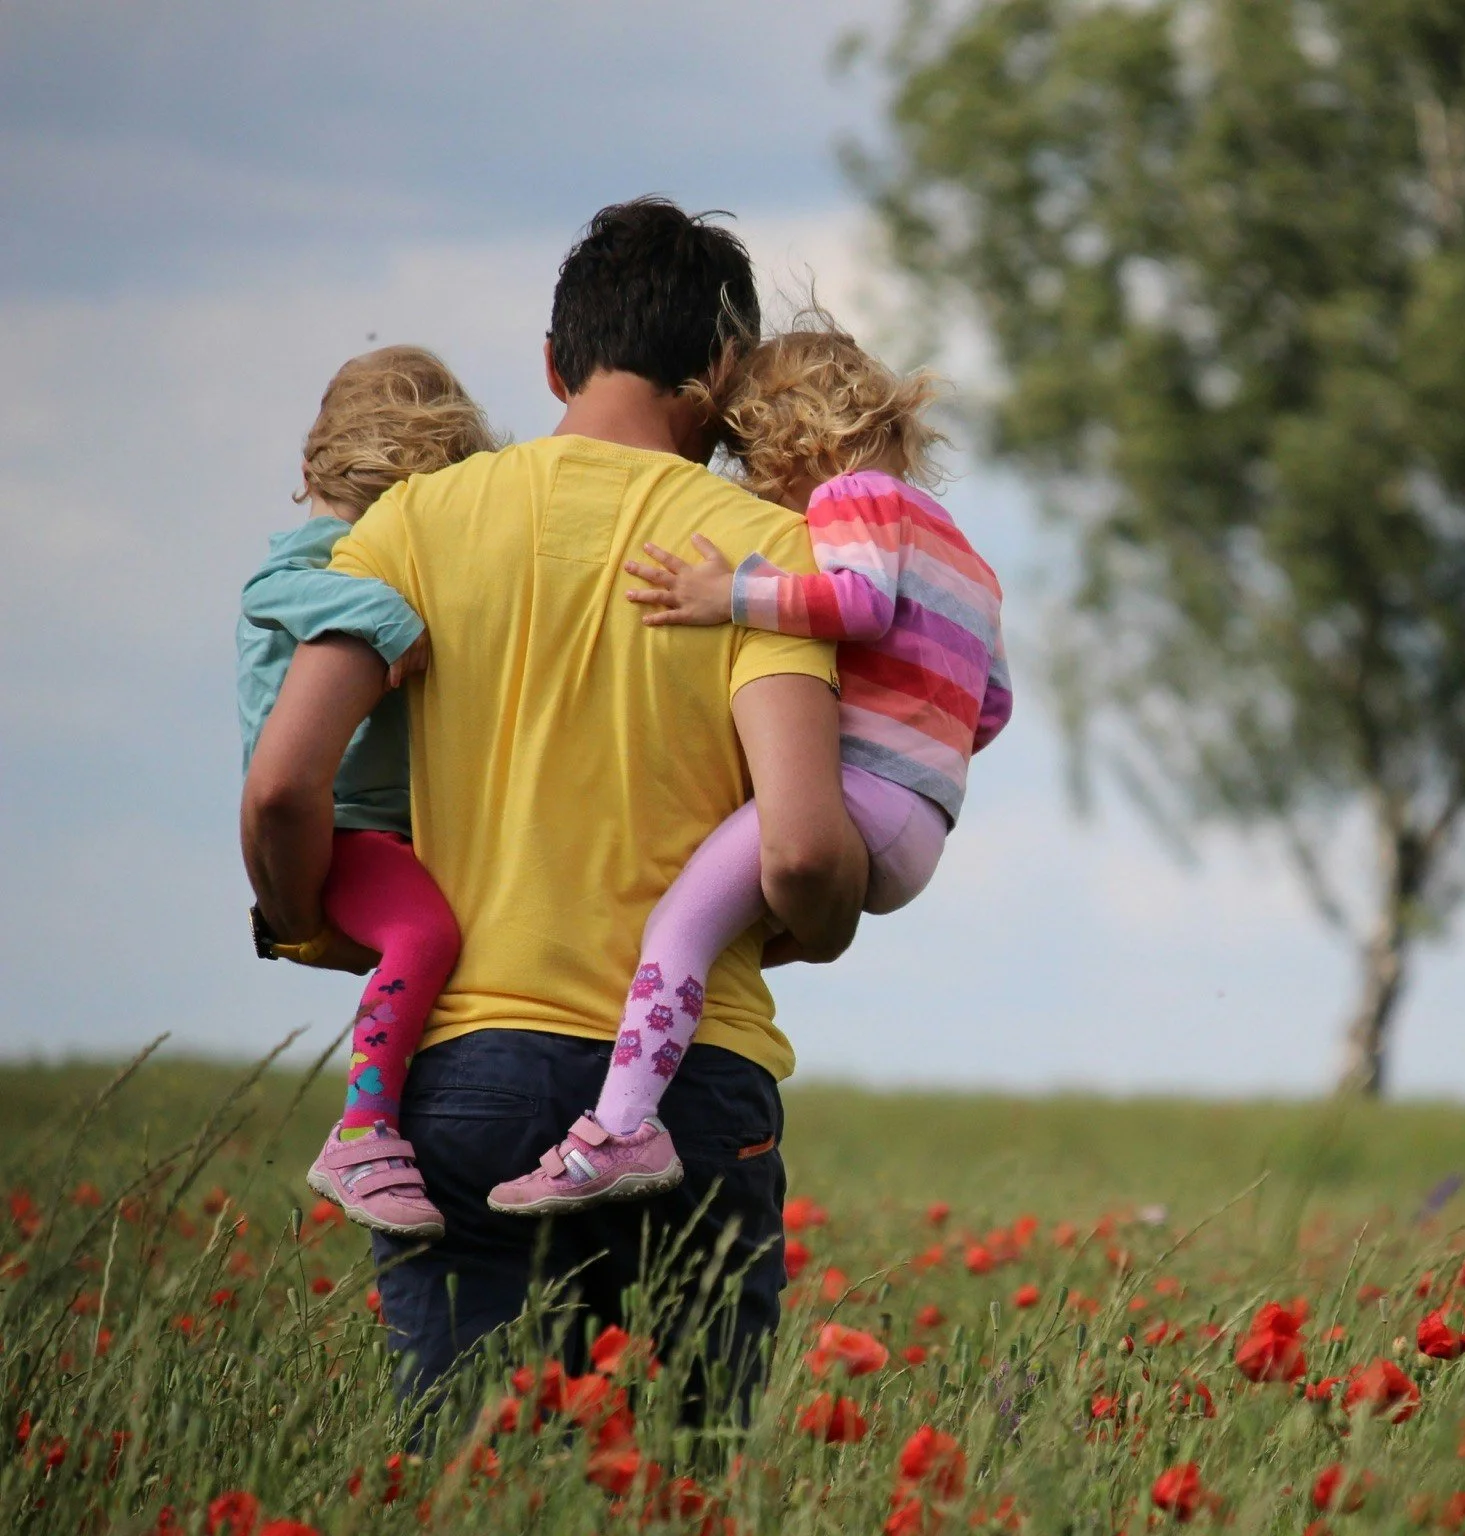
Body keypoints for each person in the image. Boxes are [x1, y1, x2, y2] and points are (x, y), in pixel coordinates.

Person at [240, 197, 867, 1395]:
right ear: (724, 370)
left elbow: (281, 787)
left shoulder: (410, 525)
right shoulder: (761, 553)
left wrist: (310, 921)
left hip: (464, 1071)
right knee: (684, 1481)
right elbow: (798, 851)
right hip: (691, 1085)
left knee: (473, 1481)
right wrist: (821, 925)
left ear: (551, 361)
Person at [488, 314, 1012, 1214]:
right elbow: (992, 705)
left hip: (858, 796)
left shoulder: (854, 500)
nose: (753, 483)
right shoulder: (967, 555)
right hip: (923, 821)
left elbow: (857, 604)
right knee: (721, 934)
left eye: (752, 456)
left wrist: (727, 594)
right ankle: (647, 1085)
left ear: (795, 437)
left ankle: (620, 1130)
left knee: (677, 929)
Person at [237, 346, 497, 1239]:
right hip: (344, 827)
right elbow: (272, 589)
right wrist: (388, 616)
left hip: (386, 829)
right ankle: (364, 1130)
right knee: (425, 933)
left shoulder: (360, 547)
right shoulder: (319, 559)